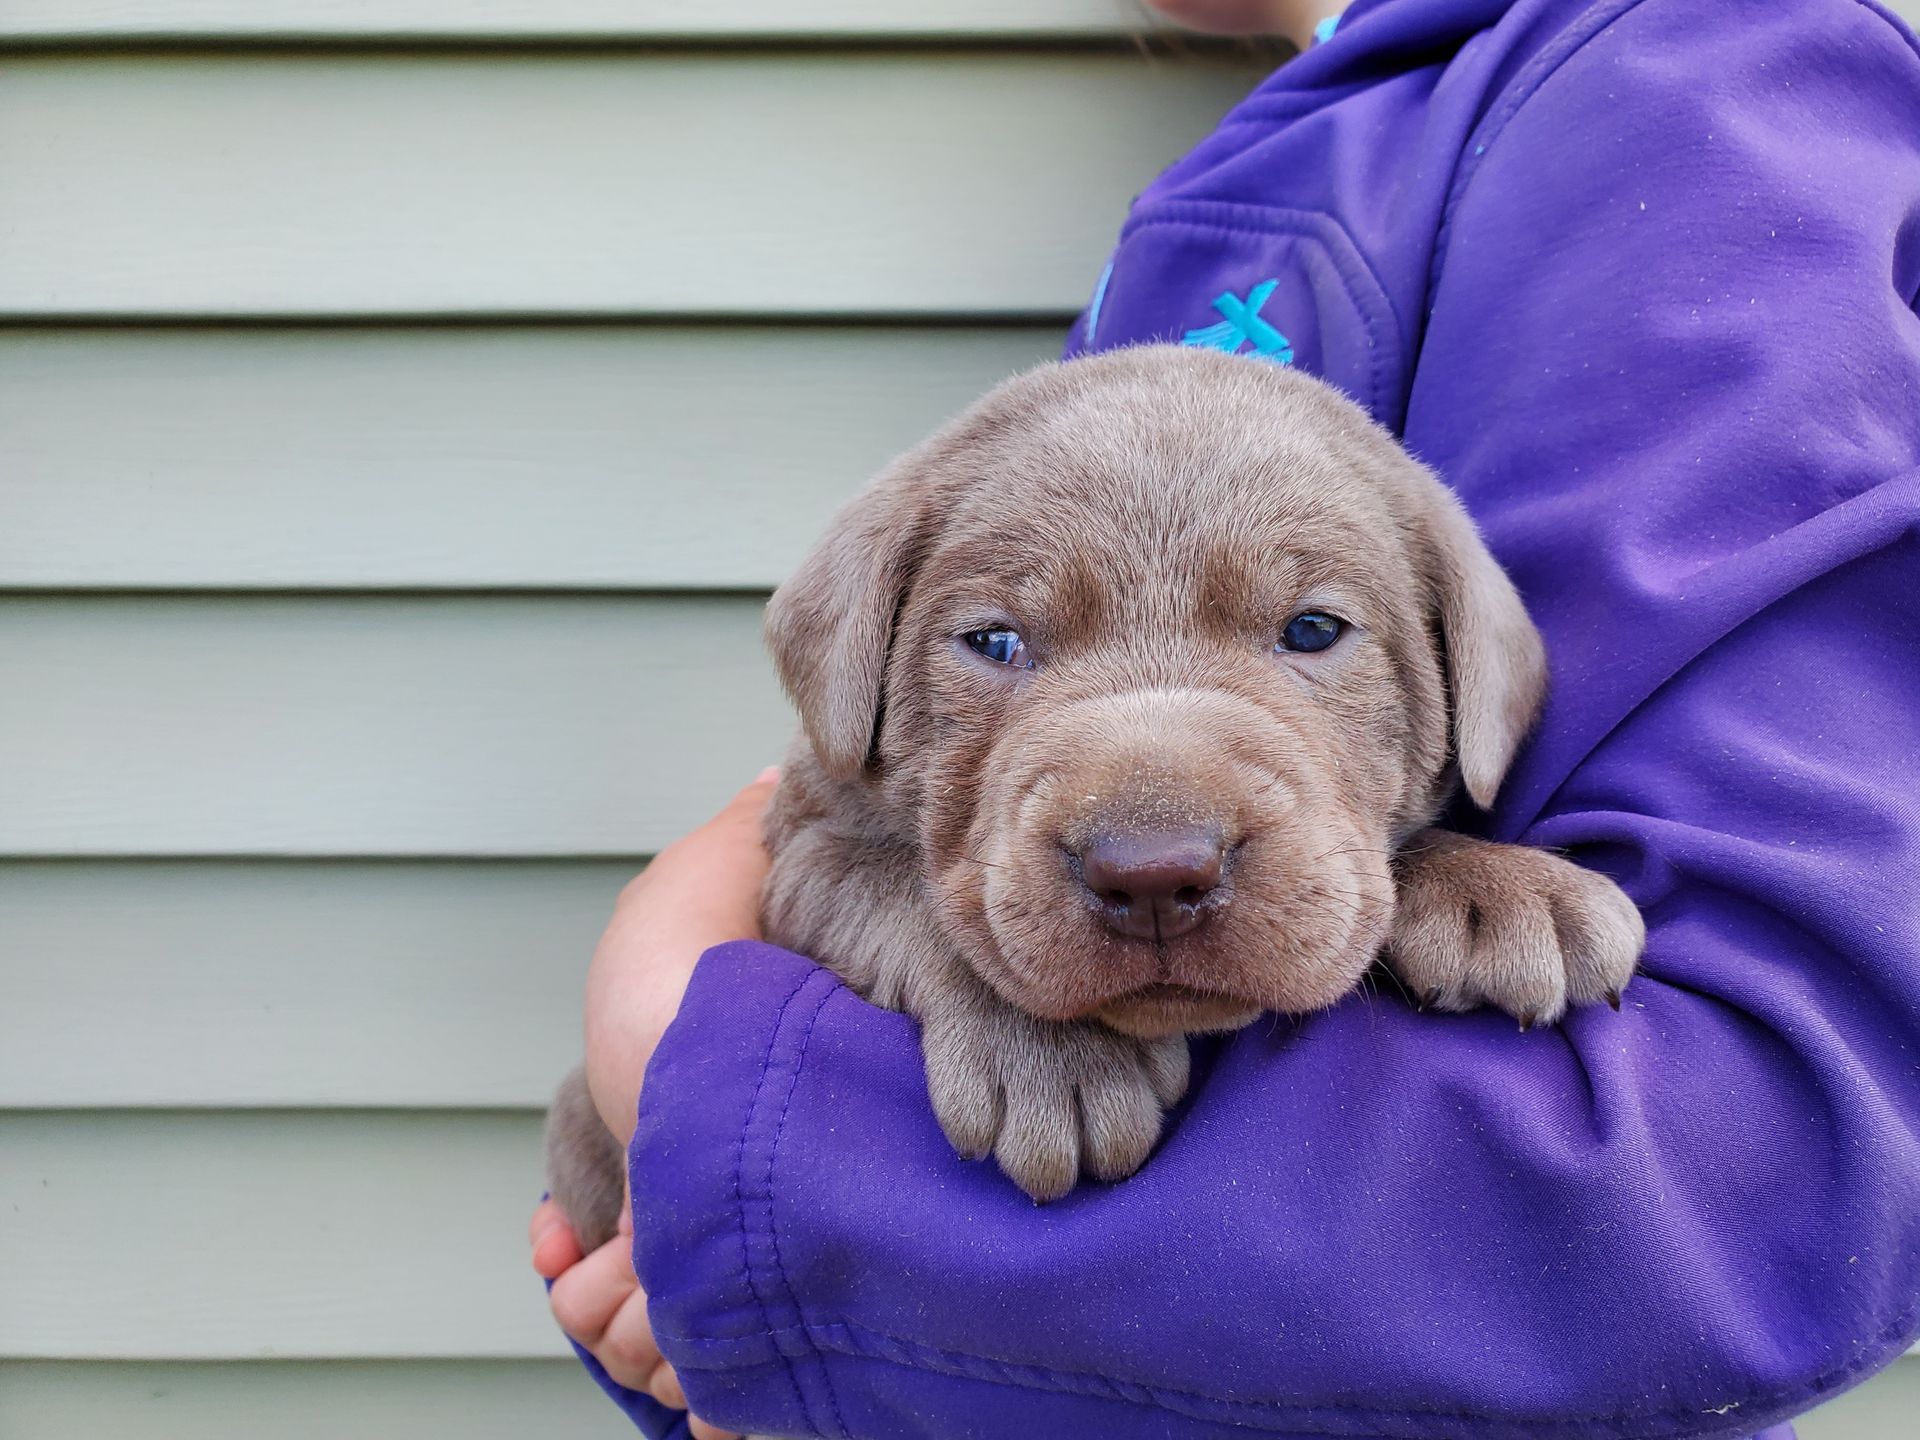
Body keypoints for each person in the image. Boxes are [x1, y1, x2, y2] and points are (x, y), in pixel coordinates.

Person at [530, 0, 1920, 1435]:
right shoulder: (1290, 151)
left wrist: (721, 1098)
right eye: (996, 642)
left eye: (1312, 630)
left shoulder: (1696, 81)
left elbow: (1757, 1177)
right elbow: (846, 824)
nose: (1149, 834)